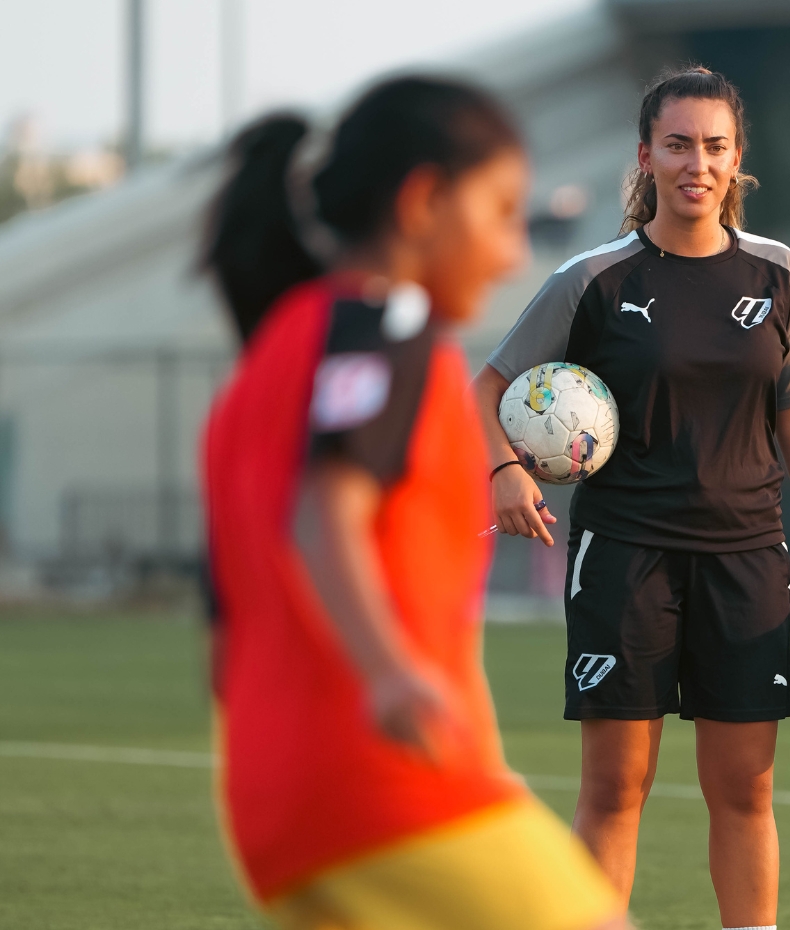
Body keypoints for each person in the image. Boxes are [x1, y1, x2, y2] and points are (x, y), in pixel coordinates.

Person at [200, 76, 625, 930]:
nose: (511, 251)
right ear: (424, 200)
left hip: (271, 801)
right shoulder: (390, 326)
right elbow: (325, 512)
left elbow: (230, 618)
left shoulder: (267, 366)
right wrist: (389, 673)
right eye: (502, 210)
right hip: (387, 784)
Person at [471, 66, 790, 930]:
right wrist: (505, 470)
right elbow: (487, 385)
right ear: (646, 155)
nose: (698, 163)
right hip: (624, 559)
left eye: (715, 146)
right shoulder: (595, 279)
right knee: (615, 789)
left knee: (745, 789)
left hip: (746, 560)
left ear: (738, 161)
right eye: (680, 144)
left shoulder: (778, 272)